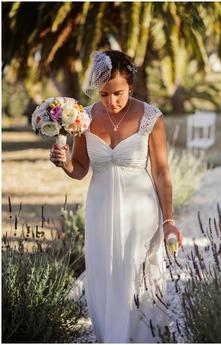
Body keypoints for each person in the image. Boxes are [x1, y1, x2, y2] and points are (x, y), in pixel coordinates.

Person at [49, 50, 184, 342]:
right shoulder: (81, 119)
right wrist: (64, 163)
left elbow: (162, 172)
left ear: (131, 86)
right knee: (104, 275)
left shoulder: (151, 118)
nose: (111, 101)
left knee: (138, 274)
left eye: (119, 93)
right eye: (105, 94)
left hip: (141, 210)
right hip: (100, 208)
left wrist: (169, 219)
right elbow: (80, 169)